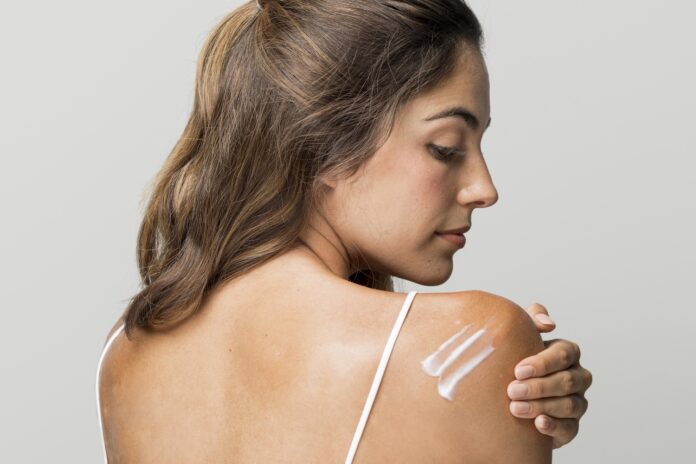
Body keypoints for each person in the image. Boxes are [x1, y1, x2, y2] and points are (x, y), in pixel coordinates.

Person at [96, 0, 593, 462]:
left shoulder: (129, 348)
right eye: (445, 148)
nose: (484, 189)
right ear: (327, 145)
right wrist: (497, 354)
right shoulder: (470, 345)